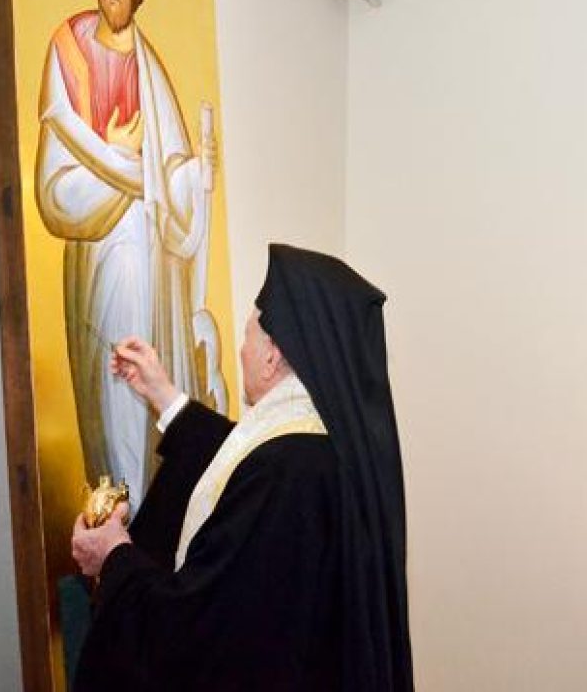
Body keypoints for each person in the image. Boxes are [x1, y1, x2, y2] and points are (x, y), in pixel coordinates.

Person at [70, 244, 414, 691]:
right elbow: (237, 456)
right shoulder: (323, 444)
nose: (240, 349)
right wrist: (165, 396)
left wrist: (115, 555)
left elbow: (200, 626)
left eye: (248, 335)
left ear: (271, 354)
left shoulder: (285, 471)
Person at [36, 0, 224, 502]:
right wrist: (122, 160)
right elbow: (55, 191)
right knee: (113, 399)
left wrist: (199, 172)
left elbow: (172, 185)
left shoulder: (149, 67)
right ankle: (121, 523)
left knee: (148, 408)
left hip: (151, 278)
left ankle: (145, 530)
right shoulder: (67, 52)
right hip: (103, 269)